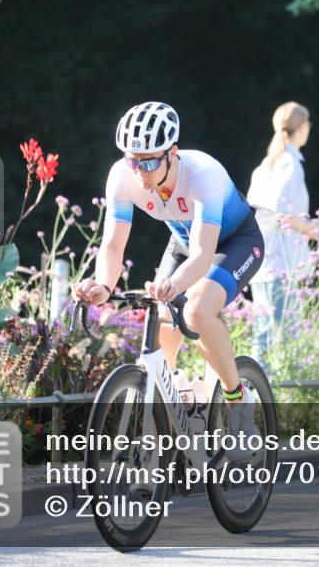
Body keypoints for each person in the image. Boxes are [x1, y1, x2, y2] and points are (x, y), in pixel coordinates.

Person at [72, 101, 263, 457]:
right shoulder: (122, 175)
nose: (139, 170)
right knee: (161, 325)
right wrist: (103, 286)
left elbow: (203, 256)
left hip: (235, 241)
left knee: (196, 311)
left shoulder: (202, 173)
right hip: (184, 241)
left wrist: (174, 285)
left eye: (148, 161)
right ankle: (170, 420)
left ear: (172, 154)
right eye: (133, 160)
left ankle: (239, 402)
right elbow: (112, 245)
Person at [246, 102, 319, 369]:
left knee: (264, 336)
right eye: (308, 124)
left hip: (262, 262)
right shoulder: (291, 165)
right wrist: (311, 230)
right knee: (286, 338)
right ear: (301, 128)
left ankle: (254, 398)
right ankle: (279, 402)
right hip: (282, 263)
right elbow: (281, 212)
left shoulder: (265, 166)